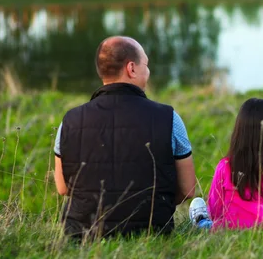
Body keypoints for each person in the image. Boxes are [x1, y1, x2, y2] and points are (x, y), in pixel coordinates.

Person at [53, 36, 196, 239]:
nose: (148, 71)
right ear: (131, 69)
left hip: (84, 235)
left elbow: (62, 187)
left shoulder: (69, 121)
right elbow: (188, 189)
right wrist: (157, 204)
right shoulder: (169, 118)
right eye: (146, 65)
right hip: (152, 232)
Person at [189, 98, 263, 230]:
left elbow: (215, 209)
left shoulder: (226, 166)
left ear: (239, 132)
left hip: (228, 228)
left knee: (207, 222)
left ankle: (200, 221)